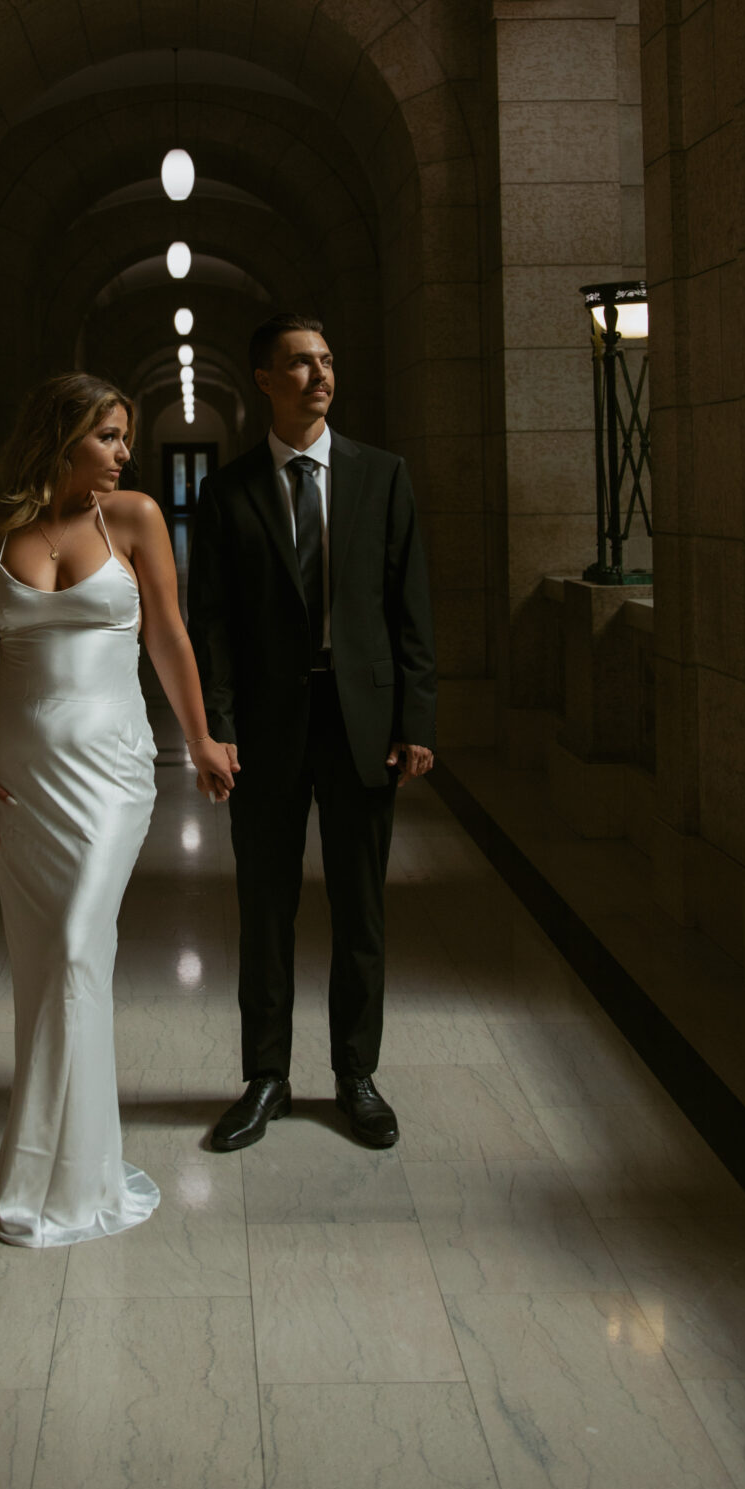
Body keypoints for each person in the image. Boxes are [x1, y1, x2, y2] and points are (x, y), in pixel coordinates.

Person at [0, 373, 236, 1246]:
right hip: (16, 772)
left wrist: (202, 739)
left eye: (125, 438)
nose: (123, 453)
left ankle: (47, 1174)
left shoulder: (138, 519)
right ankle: (76, 1165)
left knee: (76, 943)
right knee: (48, 967)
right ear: (60, 434)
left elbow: (167, 637)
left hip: (111, 771)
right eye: (108, 436)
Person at [188, 314, 435, 1152]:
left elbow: (409, 609)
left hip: (362, 721)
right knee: (265, 908)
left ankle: (355, 1076)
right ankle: (266, 1078)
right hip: (263, 728)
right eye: (298, 363)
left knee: (361, 909)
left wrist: (417, 720)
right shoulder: (226, 492)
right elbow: (210, 624)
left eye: (326, 360)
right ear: (264, 378)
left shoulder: (382, 476)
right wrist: (214, 729)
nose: (319, 375)